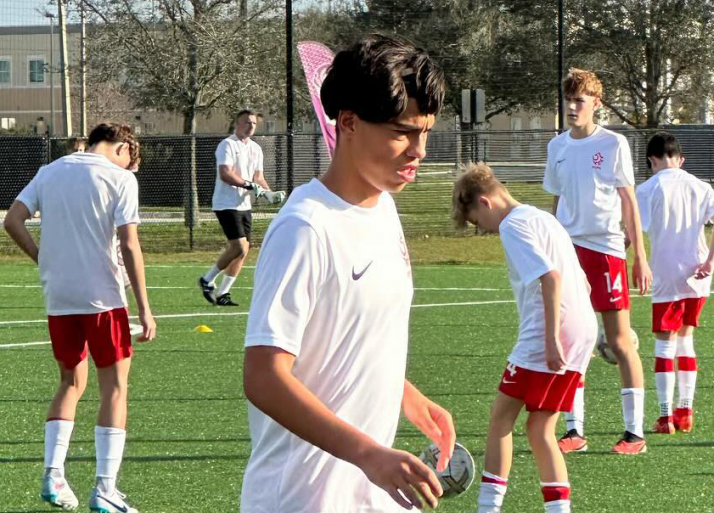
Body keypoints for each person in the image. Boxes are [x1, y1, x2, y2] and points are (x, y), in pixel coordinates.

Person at [240, 35, 456, 513]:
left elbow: (348, 339)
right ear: (349, 122)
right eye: (402, 132)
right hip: (300, 500)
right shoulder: (305, 228)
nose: (419, 150)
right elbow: (264, 377)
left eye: (425, 132)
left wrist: (405, 395)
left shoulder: (385, 209)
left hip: (368, 496)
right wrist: (366, 453)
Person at [3, 123, 156, 513]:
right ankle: (105, 488)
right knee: (115, 388)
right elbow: (129, 244)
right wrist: (144, 306)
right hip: (103, 298)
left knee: (70, 382)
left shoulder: (50, 171)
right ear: (121, 147)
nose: (131, 166)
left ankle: (53, 474)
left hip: (60, 297)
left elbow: (12, 221)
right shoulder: (120, 178)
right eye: (131, 157)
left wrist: (43, 258)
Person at [453, 163, 596, 513]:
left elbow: (550, 277)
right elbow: (582, 281)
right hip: (581, 329)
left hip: (548, 332)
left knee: (501, 420)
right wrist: (577, 335)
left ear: (485, 202)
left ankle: (488, 508)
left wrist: (552, 339)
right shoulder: (544, 218)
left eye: (477, 221)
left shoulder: (513, 226)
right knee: (540, 428)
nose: (484, 229)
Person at [543, 68, 652, 455]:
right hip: (568, 252)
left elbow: (628, 201)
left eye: (580, 100)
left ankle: (634, 433)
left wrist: (640, 256)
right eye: (568, 100)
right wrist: (552, 247)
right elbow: (556, 201)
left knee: (620, 341)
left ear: (595, 103)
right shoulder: (556, 147)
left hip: (606, 250)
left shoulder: (613, 143)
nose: (572, 107)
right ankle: (574, 430)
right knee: (574, 340)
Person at [635, 132, 714, 435]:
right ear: (680, 159)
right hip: (697, 272)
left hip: (666, 273)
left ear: (652, 160)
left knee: (664, 344)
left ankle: (665, 416)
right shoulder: (700, 185)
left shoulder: (647, 189)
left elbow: (633, 231)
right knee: (686, 339)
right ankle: (685, 411)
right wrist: (710, 261)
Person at [199, 109, 275, 307]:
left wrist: (269, 193)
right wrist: (248, 185)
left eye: (254, 123)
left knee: (243, 250)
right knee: (239, 246)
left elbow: (258, 177)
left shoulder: (256, 148)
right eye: (247, 122)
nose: (251, 126)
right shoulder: (227, 144)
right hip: (226, 203)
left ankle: (223, 293)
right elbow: (226, 173)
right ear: (237, 124)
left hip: (244, 204)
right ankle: (207, 279)